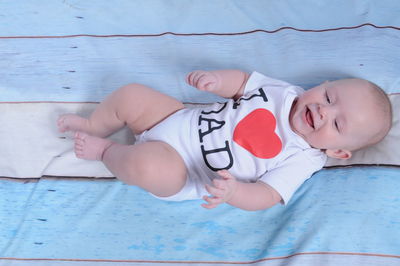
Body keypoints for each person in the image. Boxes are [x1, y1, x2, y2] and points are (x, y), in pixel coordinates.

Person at [57, 70, 392, 211]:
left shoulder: (303, 158)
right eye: (329, 97)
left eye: (337, 122)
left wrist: (235, 193)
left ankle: (106, 151)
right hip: (173, 119)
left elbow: (268, 195)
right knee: (131, 95)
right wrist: (216, 81)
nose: (322, 111)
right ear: (323, 84)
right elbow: (243, 82)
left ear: (336, 151)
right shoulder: (284, 92)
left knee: (145, 165)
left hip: (183, 171)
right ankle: (96, 124)